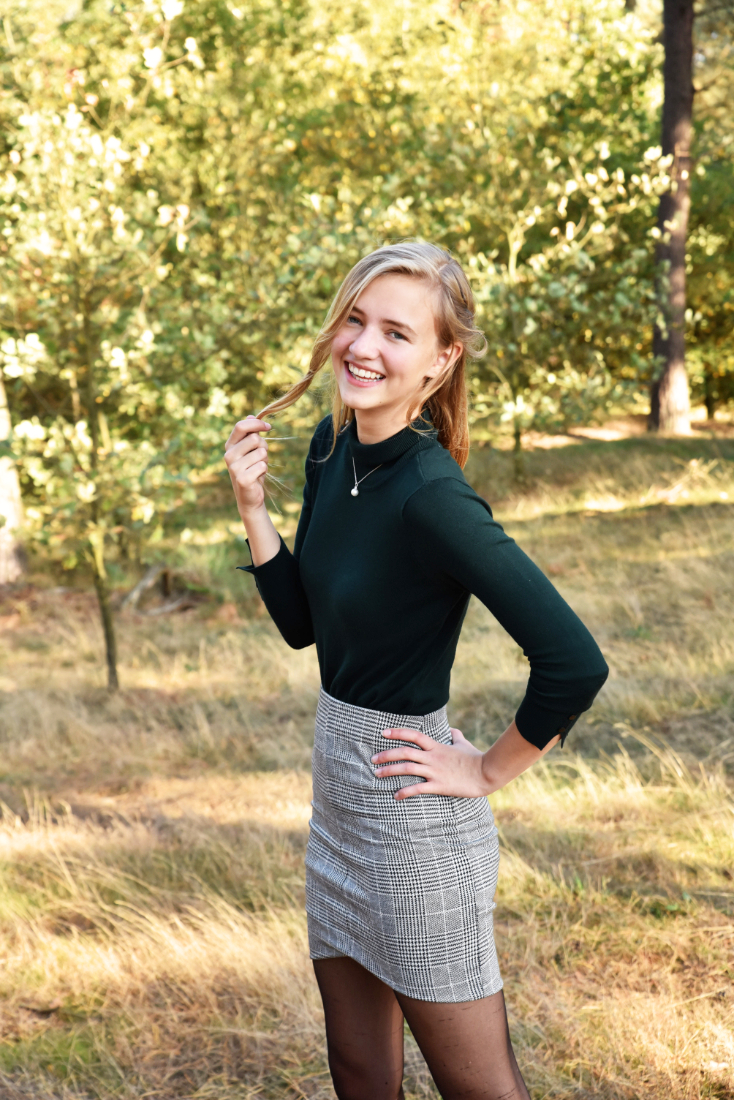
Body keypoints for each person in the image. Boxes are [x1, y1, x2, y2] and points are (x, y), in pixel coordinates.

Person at [225, 242, 608, 1100]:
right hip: (340, 807)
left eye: (396, 332)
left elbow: (573, 661)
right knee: (360, 1072)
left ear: (441, 361)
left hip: (412, 820)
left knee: (478, 1087)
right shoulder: (332, 447)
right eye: (356, 320)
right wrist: (254, 509)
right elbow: (302, 628)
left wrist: (484, 768)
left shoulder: (433, 496)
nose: (364, 346)